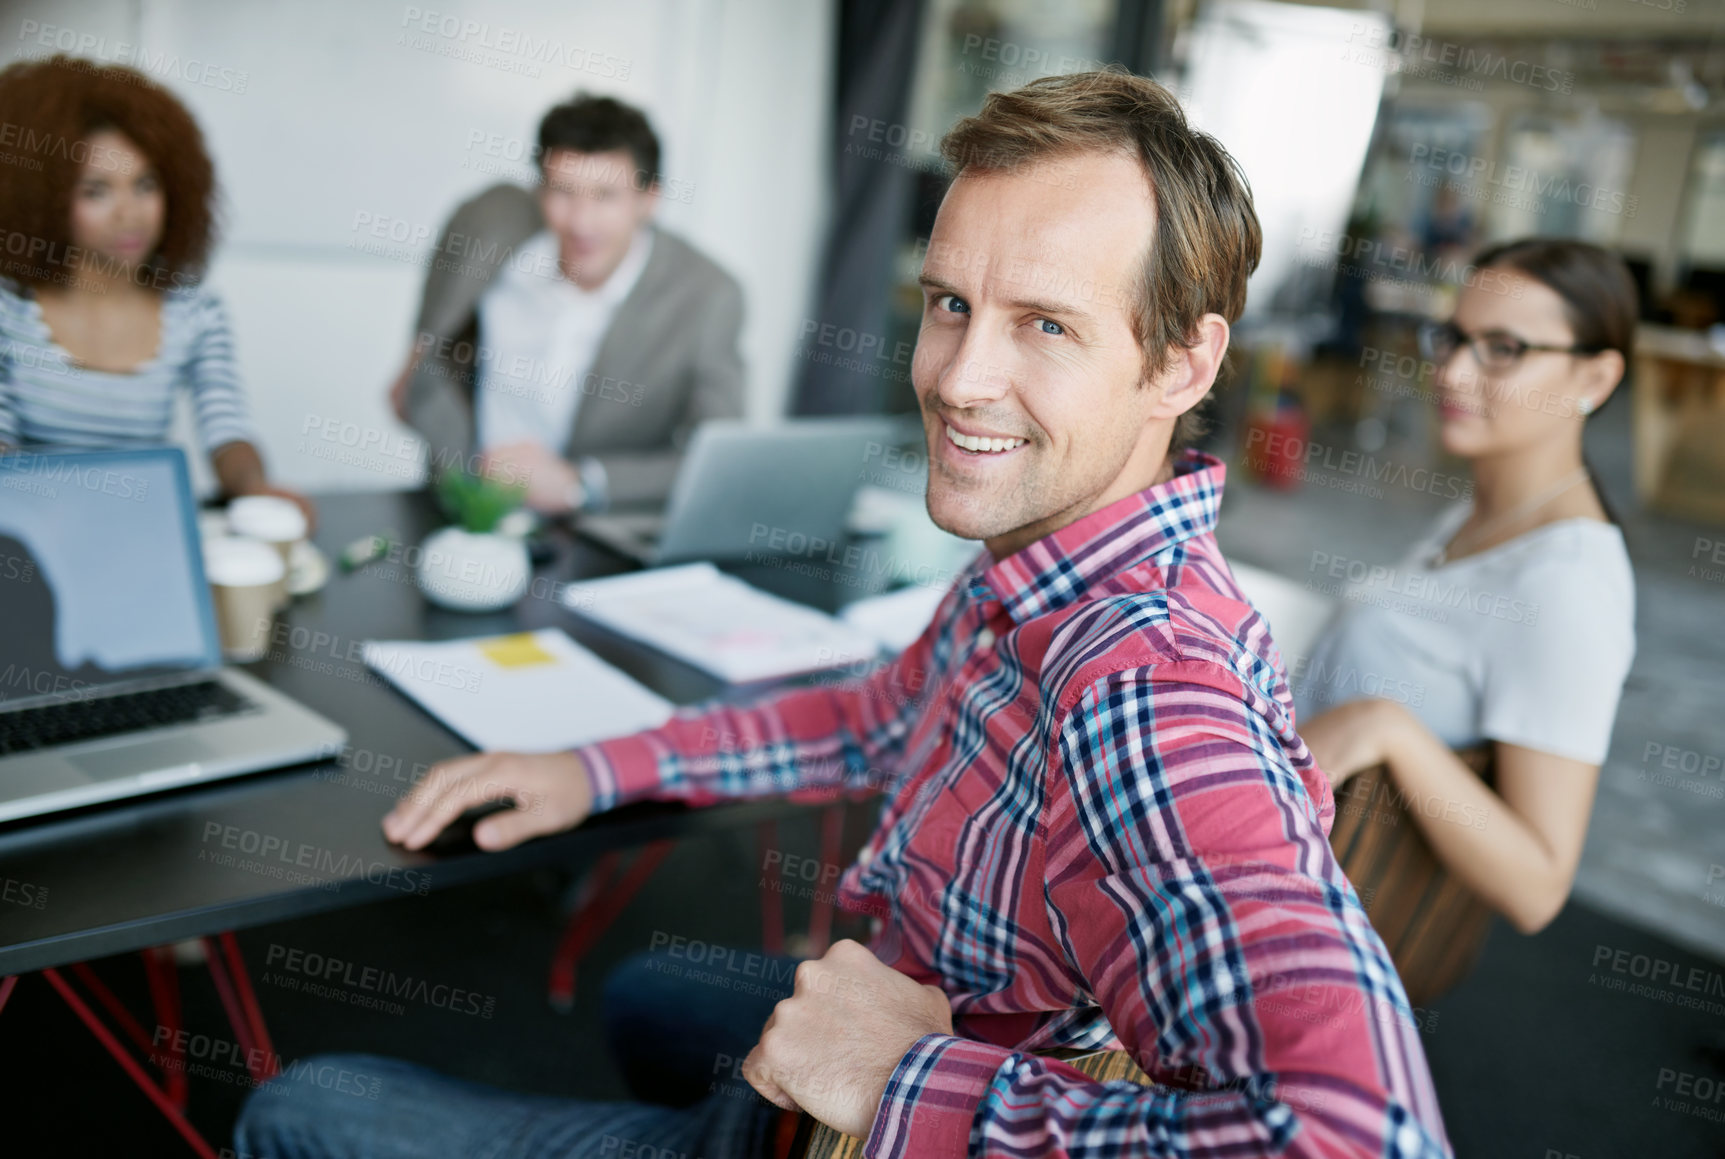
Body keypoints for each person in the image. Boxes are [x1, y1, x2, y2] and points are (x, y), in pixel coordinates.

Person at [238, 70, 1451, 1159]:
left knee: (301, 1107)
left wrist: (905, 1086)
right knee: (649, 991)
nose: (958, 379)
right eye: (950, 304)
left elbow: (1359, 1137)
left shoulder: (1146, 689)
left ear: (1183, 365)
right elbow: (876, 714)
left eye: (1047, 324)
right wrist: (595, 768)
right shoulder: (1042, 559)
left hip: (877, 1114)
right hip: (900, 1032)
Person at [1296, 239, 1638, 937]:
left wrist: (1384, 726)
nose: (1451, 371)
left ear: (1595, 379)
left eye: (1502, 348)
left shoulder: (1565, 584)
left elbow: (1538, 884)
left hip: (1309, 931)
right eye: (1450, 338)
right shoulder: (1479, 515)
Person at [390, 93, 744, 515]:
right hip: (457, 504)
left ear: (649, 200)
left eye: (605, 196)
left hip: (588, 531)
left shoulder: (708, 295)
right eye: (562, 192)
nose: (580, 222)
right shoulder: (485, 219)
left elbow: (721, 462)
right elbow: (425, 353)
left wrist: (582, 485)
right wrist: (422, 393)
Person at [0, 55, 312, 527]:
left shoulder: (195, 310)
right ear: (44, 196)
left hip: (142, 534)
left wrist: (255, 492)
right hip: (29, 538)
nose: (130, 213)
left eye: (144, 184)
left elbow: (227, 432)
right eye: (97, 191)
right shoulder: (10, 309)